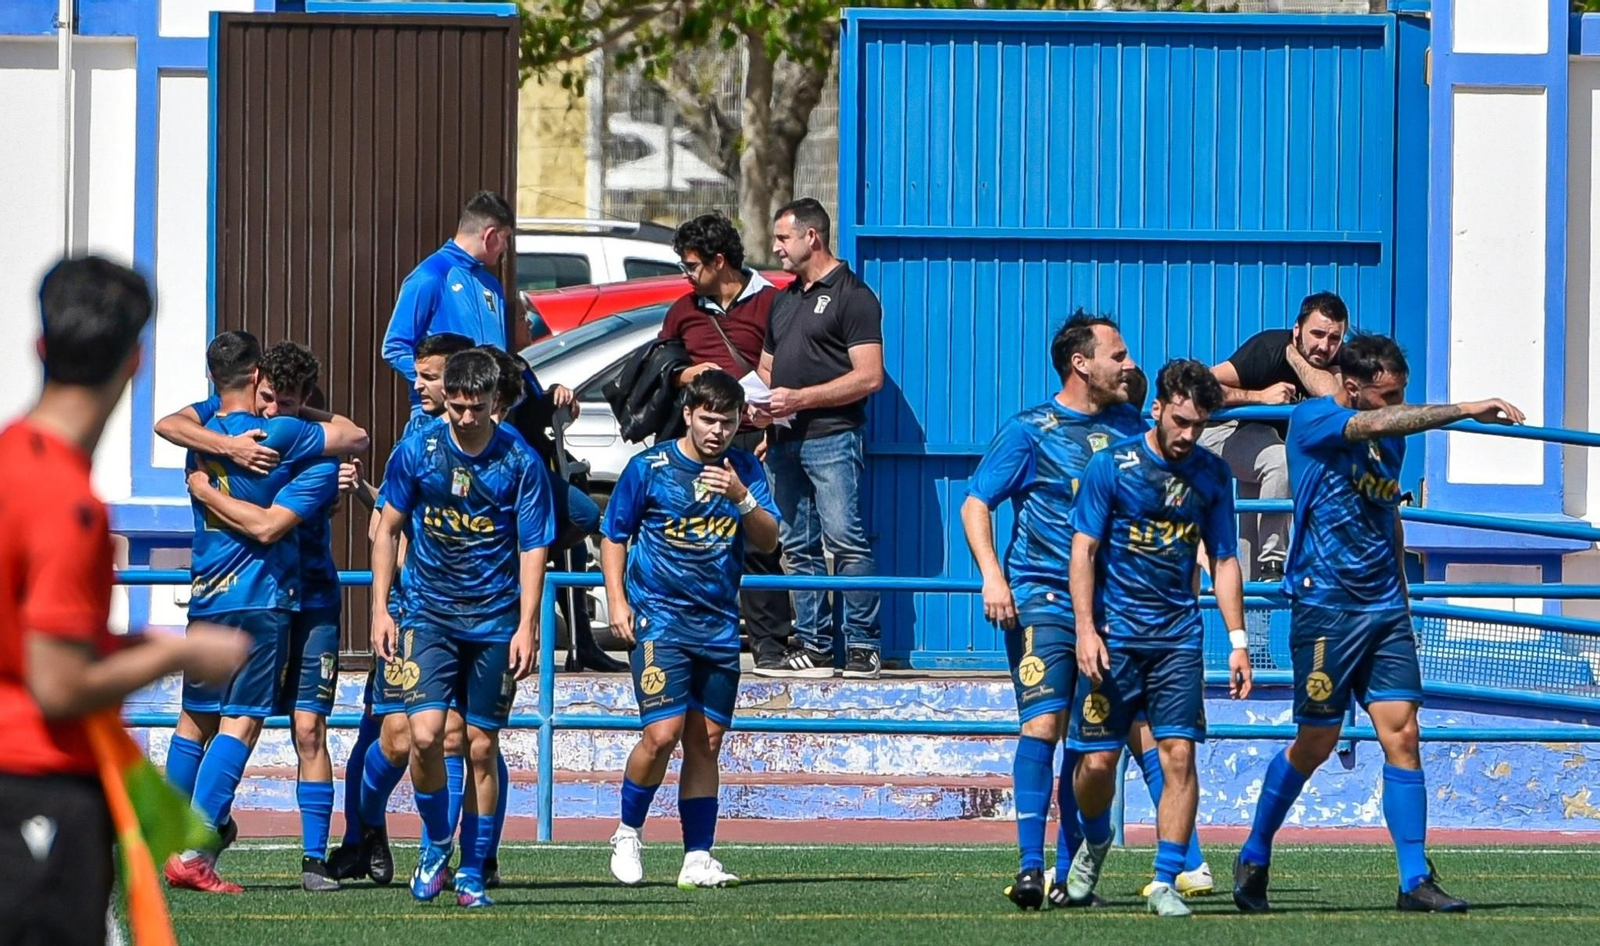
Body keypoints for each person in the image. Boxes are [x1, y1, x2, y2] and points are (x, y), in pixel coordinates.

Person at [0, 256, 246, 944]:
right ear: (135, 361)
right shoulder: (65, 504)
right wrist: (182, 650)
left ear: (40, 348)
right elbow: (59, 683)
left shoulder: (11, 460)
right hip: (37, 788)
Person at [1232, 334, 1523, 915]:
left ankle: (1415, 879)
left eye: (1402, 393)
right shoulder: (1316, 420)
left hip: (1384, 607)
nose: (1396, 404)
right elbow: (1369, 428)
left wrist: (1402, 588)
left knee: (1404, 735)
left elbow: (1386, 510)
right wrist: (1464, 408)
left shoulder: (1389, 435)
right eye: (1387, 395)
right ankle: (1255, 851)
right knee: (1317, 741)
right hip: (1325, 607)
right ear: (1352, 386)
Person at [163, 332, 369, 893]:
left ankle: (175, 840)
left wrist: (204, 490)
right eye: (272, 394)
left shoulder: (203, 435)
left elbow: (167, 423)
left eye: (290, 398)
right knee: (237, 721)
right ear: (257, 379)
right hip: (263, 598)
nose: (275, 408)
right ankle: (193, 846)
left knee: (221, 721)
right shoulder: (299, 441)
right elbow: (353, 435)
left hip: (230, 596)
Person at [960, 314, 1147, 908]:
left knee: (1092, 748)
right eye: (1116, 354)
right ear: (1081, 363)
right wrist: (993, 575)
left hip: (1111, 610)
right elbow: (975, 504)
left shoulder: (1131, 429)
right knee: (1042, 725)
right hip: (1041, 598)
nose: (1128, 364)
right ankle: (1029, 867)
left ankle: (1071, 876)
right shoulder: (1030, 430)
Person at [1061, 359, 1251, 918]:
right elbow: (1084, 552)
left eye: (1199, 425)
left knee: (1178, 757)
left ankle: (1166, 877)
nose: (1189, 435)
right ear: (1159, 408)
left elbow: (1223, 558)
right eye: (1182, 421)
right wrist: (1085, 630)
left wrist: (1237, 639)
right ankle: (1095, 841)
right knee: (1096, 765)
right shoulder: (1111, 466)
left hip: (1177, 640)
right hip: (1114, 638)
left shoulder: (1212, 477)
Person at [370, 349, 554, 908]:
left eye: (475, 408)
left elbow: (533, 545)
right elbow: (388, 528)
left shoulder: (519, 461)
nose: (464, 419)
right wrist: (380, 608)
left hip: (494, 620)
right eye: (456, 407)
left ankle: (472, 870)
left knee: (479, 746)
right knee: (423, 734)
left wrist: (527, 624)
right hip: (427, 612)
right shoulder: (419, 449)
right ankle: (433, 843)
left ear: (494, 402)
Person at [600, 371, 781, 889]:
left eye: (727, 422)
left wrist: (743, 497)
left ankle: (697, 856)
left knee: (708, 742)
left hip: (719, 625)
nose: (717, 431)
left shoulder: (743, 469)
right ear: (688, 414)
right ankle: (628, 831)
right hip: (660, 619)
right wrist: (617, 601)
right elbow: (614, 535)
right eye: (708, 419)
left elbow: (769, 541)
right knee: (661, 734)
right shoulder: (651, 467)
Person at [329, 332, 474, 887]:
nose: (417, 386)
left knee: (467, 737)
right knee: (391, 734)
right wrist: (367, 493)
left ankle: (468, 855)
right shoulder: (418, 434)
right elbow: (387, 524)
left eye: (429, 376)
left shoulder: (497, 442)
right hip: (415, 611)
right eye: (417, 374)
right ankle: (365, 833)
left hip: (474, 613)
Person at [663, 211, 795, 673]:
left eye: (693, 266)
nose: (687, 275)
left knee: (758, 536)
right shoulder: (683, 311)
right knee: (695, 536)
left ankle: (772, 644)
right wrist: (687, 373)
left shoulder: (773, 304)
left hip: (756, 438)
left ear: (720, 262)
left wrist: (772, 433)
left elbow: (787, 373)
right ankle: (686, 633)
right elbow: (662, 367)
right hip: (697, 446)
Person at [760, 198, 884, 679]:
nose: (776, 248)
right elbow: (768, 369)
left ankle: (862, 646)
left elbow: (869, 376)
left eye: (783, 238)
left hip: (832, 437)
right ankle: (812, 643)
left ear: (812, 236)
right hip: (785, 439)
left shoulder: (854, 296)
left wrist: (801, 399)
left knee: (845, 540)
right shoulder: (784, 299)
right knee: (797, 545)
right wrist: (763, 410)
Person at [1203, 292, 1348, 581]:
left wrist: (1296, 358)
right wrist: (1259, 397)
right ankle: (1274, 561)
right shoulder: (1268, 347)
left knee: (1248, 547)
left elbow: (1332, 396)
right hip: (1220, 434)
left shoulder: (1333, 360)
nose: (1324, 345)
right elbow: (1196, 387)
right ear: (1297, 329)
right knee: (1279, 461)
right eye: (1317, 334)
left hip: (1261, 444)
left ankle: (1248, 622)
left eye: (1334, 338)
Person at [381, 191, 516, 415]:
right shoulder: (430, 276)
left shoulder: (492, 285)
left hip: (485, 418)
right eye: (506, 238)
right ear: (490, 235)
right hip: (437, 418)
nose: (506, 248)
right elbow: (394, 347)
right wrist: (443, 383)